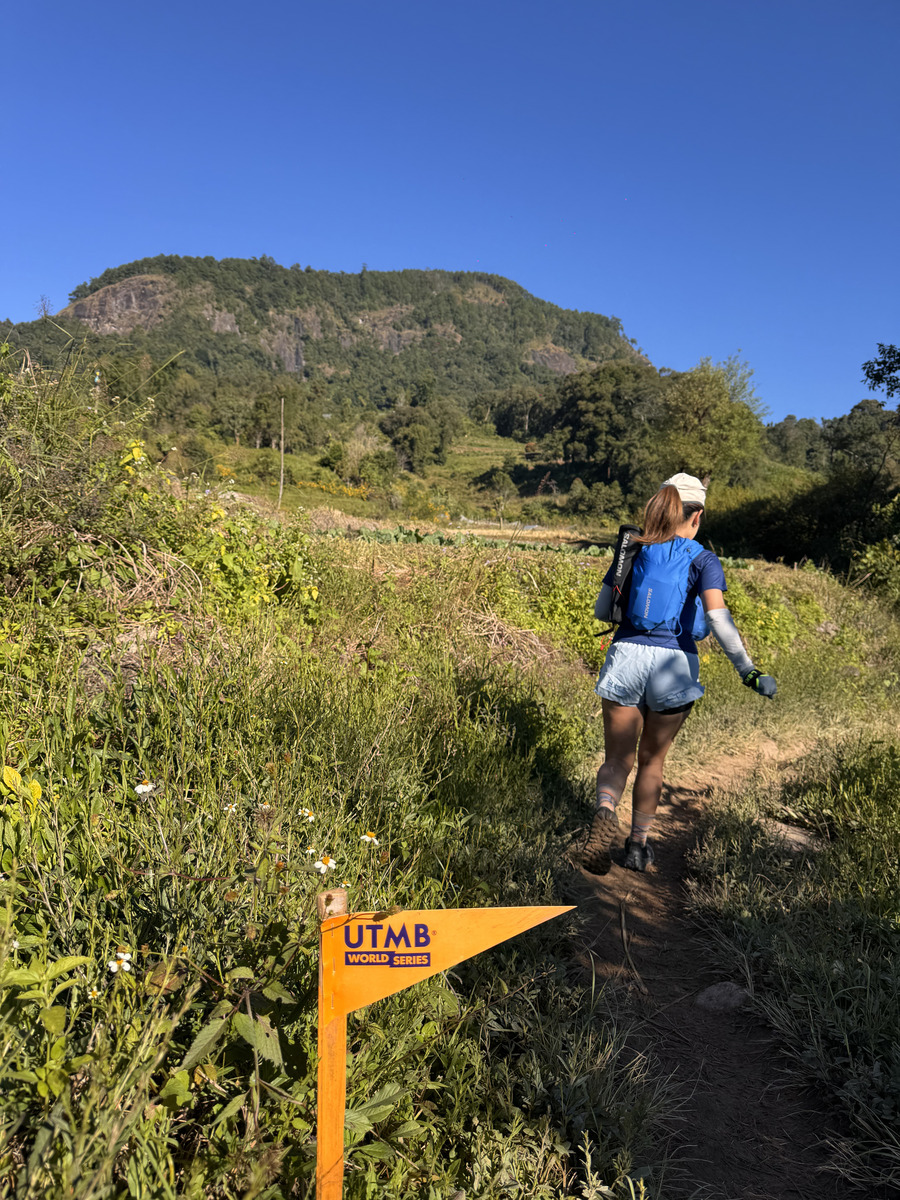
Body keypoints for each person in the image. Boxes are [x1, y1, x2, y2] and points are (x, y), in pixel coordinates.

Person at [582, 472, 776, 874]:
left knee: (618, 758)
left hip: (627, 656)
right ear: (697, 515)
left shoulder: (631, 549)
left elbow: (603, 611)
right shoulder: (703, 558)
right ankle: (637, 846)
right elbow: (718, 619)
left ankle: (604, 810)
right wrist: (749, 671)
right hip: (675, 664)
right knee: (652, 761)